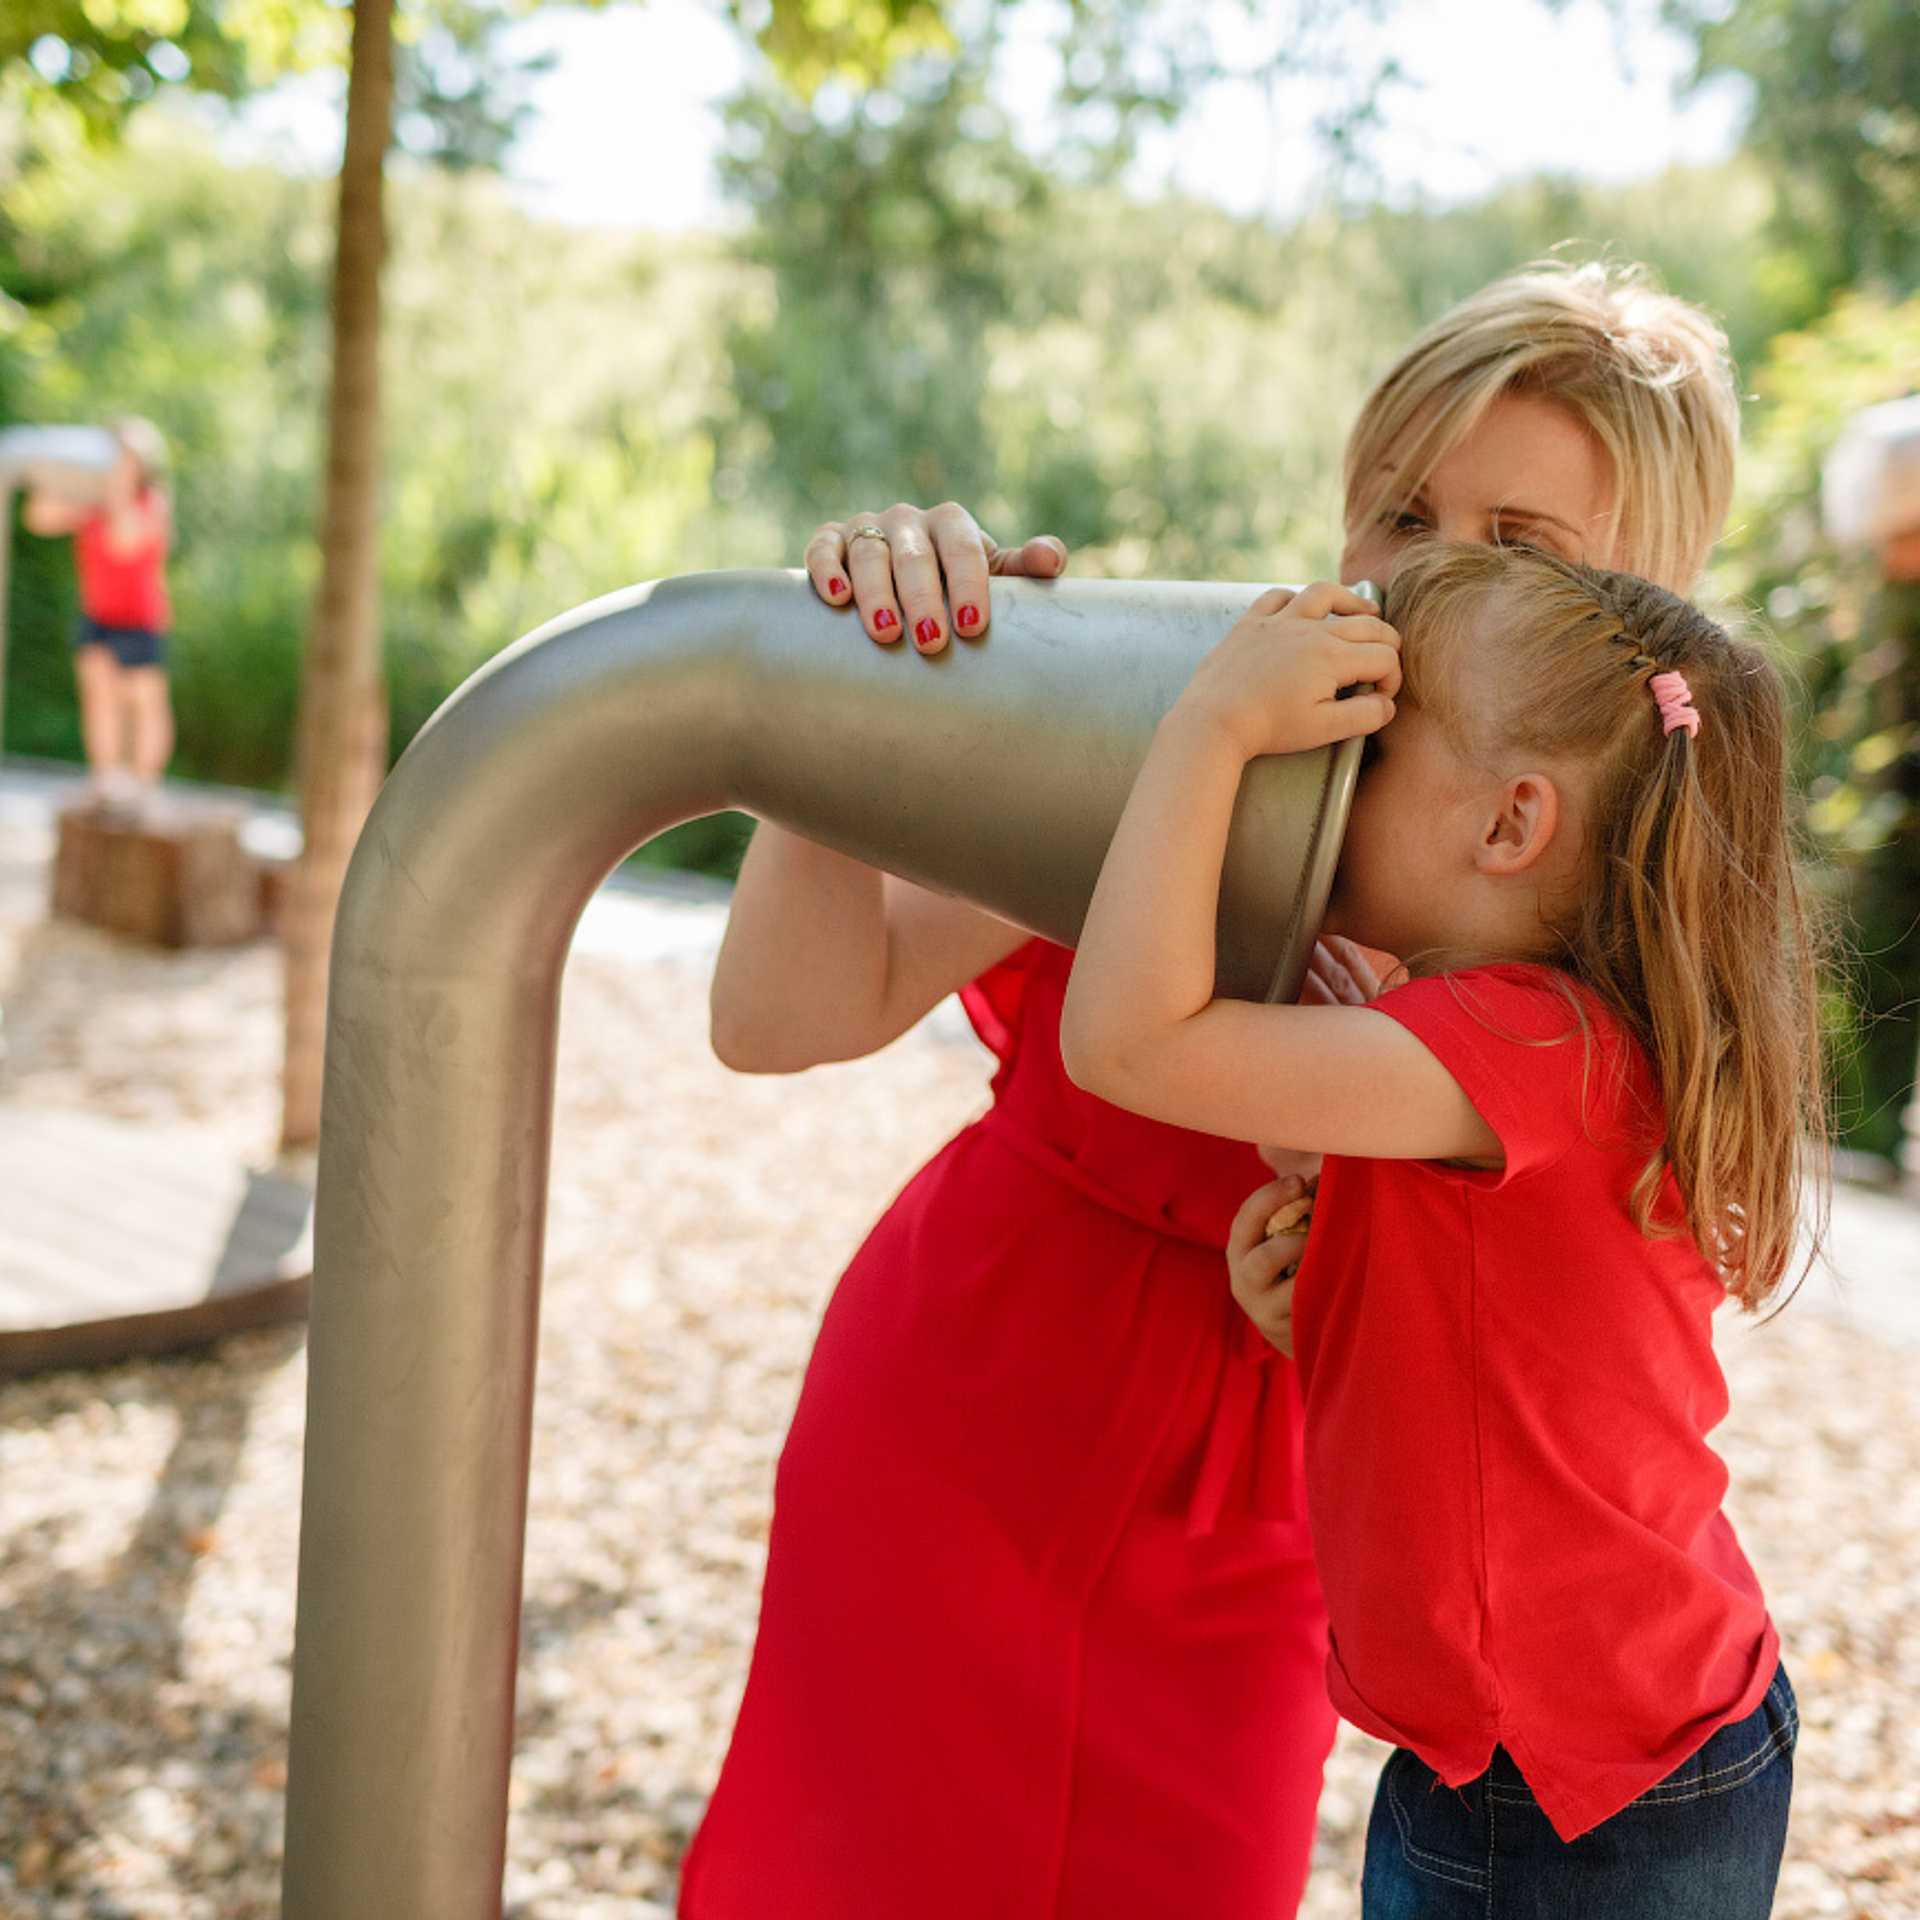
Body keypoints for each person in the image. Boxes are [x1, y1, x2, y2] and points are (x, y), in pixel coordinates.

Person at [685, 262, 1742, 1919]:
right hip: (960, 1422)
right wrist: (857, 708)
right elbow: (781, 1017)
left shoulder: (1621, 948)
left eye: (1517, 545)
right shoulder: (1193, 712)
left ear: (1647, 601)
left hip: (1264, 1524)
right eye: (1400, 510)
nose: (1425, 573)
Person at [1059, 542, 1821, 1916]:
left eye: (1375, 738)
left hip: (1579, 1787)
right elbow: (1511, 1337)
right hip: (1569, 1742)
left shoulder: (1508, 1038)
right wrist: (1335, 1295)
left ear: (1507, 824)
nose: (1327, 768)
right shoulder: (1533, 1038)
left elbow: (1124, 1041)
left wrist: (1212, 725)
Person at [24, 416, 176, 808]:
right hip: (98, 615)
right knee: (100, 698)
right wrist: (55, 475)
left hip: (140, 620)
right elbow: (37, 518)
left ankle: (144, 785)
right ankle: (105, 779)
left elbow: (122, 541)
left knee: (144, 703)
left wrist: (114, 492)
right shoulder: (92, 501)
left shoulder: (150, 504)